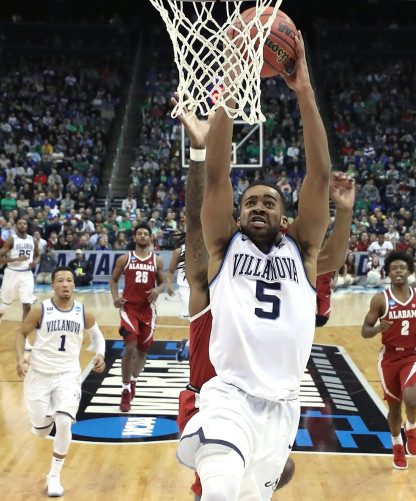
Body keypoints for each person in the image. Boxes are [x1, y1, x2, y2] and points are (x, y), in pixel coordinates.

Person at [172, 92, 354, 500]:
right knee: (219, 492)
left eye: (268, 202)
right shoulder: (224, 249)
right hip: (228, 396)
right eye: (250, 202)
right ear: (237, 217)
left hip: (283, 408)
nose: (258, 206)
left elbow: (319, 179)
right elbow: (216, 182)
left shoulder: (303, 252)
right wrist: (226, 102)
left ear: (284, 219)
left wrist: (306, 88)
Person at [15, 266, 106, 497]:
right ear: (53, 285)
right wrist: (20, 358)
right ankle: (42, 423)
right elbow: (20, 333)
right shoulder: (40, 309)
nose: (65, 284)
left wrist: (100, 354)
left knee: (65, 421)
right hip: (39, 375)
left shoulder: (83, 312)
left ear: (74, 285)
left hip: (68, 375)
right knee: (42, 431)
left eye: (69, 280)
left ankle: (54, 476)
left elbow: (97, 336)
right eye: (60, 281)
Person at [361, 250, 416, 470]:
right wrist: (376, 329)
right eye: (394, 268)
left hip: (412, 355)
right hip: (389, 357)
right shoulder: (380, 299)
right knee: (394, 408)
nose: (398, 271)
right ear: (388, 272)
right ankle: (397, 446)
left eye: (402, 268)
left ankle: (411, 427)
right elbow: (364, 330)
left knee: (411, 399)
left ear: (410, 271)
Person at [109, 222, 165, 412]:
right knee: (130, 344)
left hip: (148, 310)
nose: (142, 236)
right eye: (139, 233)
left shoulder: (157, 260)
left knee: (142, 350)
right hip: (129, 308)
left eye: (145, 233)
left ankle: (133, 380)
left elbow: (163, 283)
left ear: (150, 238)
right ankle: (125, 390)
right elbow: (113, 279)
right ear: (134, 238)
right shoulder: (125, 258)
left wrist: (157, 289)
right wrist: (115, 297)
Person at [0, 219, 40, 349]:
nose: (23, 225)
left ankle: (24, 339)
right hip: (12, 274)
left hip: (26, 274)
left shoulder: (33, 240)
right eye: (20, 223)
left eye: (25, 223)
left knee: (27, 305)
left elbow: (38, 256)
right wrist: (17, 259)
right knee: (6, 305)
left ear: (27, 226)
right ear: (16, 226)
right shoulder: (11, 240)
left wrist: (35, 262)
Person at [166, 236, 190, 318]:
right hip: (185, 287)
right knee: (188, 315)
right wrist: (169, 284)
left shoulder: (204, 249)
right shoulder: (179, 251)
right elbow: (170, 271)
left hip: (201, 288)